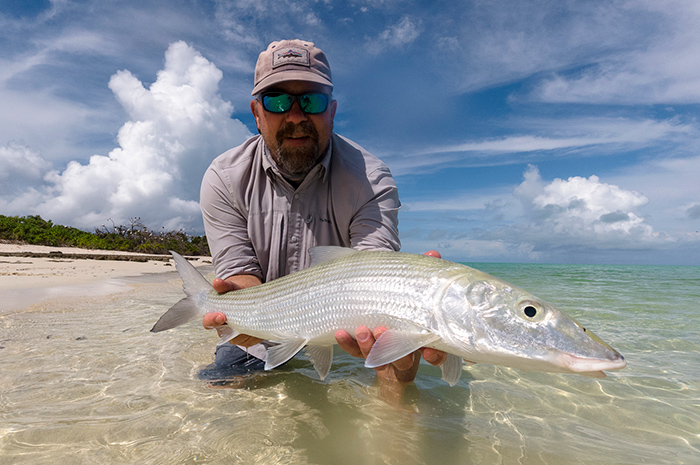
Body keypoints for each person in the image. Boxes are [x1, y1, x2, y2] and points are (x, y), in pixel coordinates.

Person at [199, 39, 446, 387]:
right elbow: (240, 273)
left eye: (311, 100)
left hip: (346, 329)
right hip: (265, 329)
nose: (296, 115)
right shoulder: (223, 178)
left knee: (400, 367)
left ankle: (400, 435)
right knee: (220, 389)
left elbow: (374, 272)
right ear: (257, 114)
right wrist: (242, 317)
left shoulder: (370, 179)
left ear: (331, 111)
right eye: (278, 100)